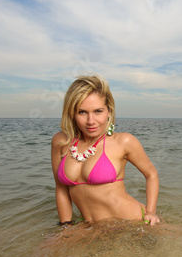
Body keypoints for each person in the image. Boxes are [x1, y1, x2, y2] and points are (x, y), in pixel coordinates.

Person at [51, 74, 160, 226]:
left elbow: (151, 173)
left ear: (108, 111)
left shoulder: (123, 141)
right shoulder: (61, 141)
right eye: (82, 112)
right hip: (92, 228)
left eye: (98, 111)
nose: (91, 121)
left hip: (131, 224)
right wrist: (65, 227)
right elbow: (61, 188)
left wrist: (151, 213)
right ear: (72, 113)